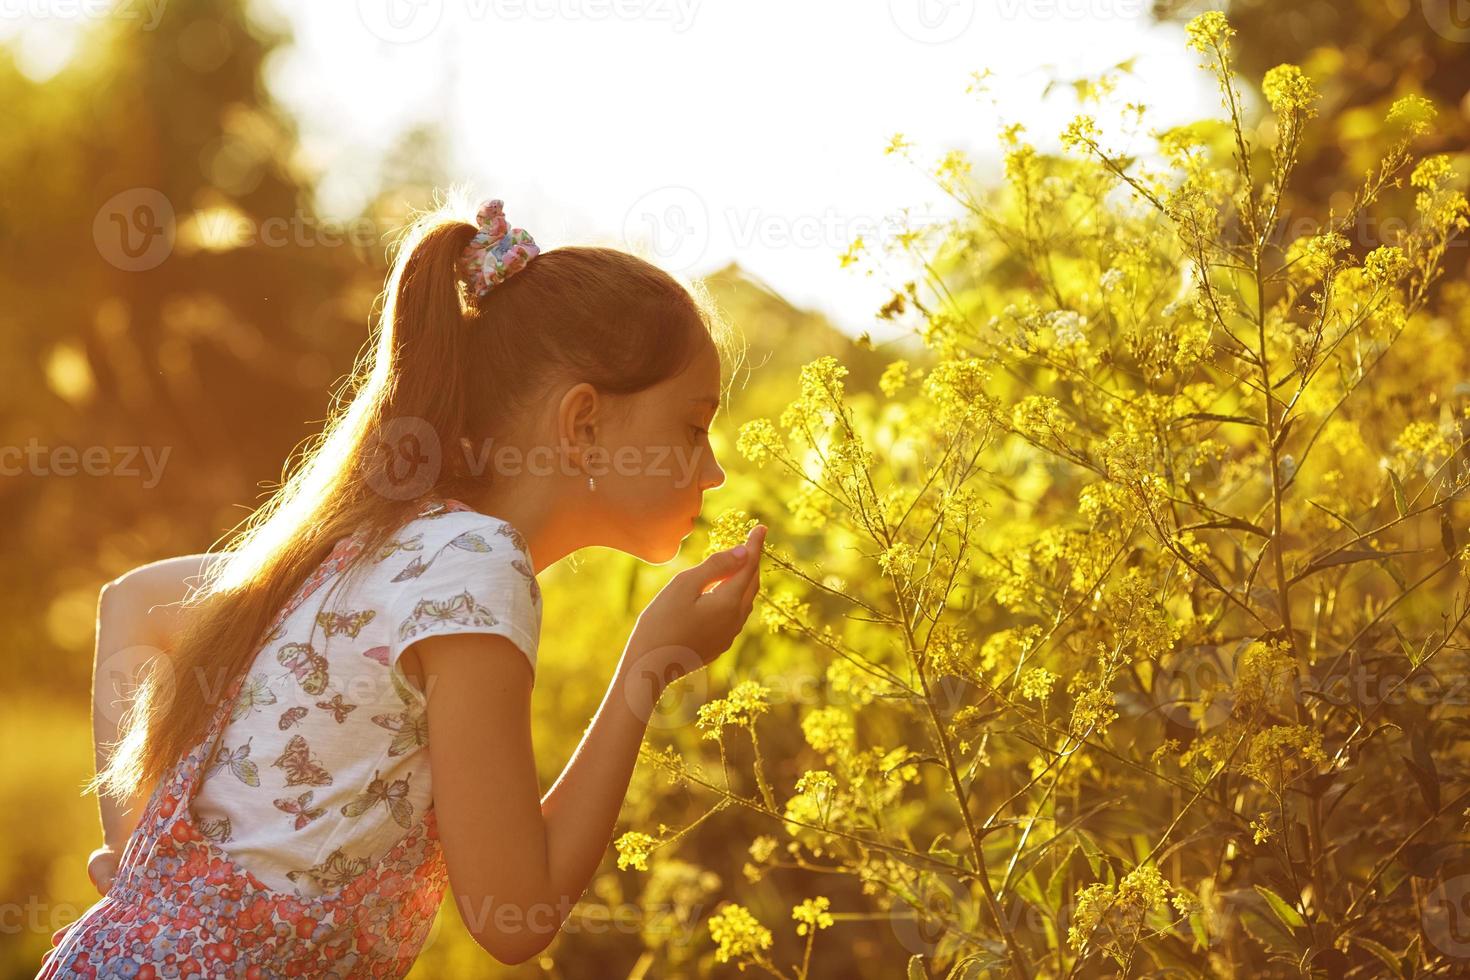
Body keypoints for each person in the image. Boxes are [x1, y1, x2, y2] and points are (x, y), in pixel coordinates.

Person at [40, 196, 767, 977]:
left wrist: (141, 864)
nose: (713, 469)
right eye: (694, 426)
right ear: (583, 421)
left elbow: (135, 605)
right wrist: (648, 664)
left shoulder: (379, 543)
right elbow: (512, 914)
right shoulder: (478, 565)